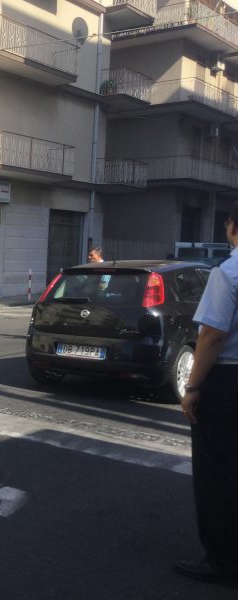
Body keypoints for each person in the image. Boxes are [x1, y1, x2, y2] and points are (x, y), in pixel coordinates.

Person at [175, 203, 238, 588]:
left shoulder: (228, 272)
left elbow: (212, 336)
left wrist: (193, 387)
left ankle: (222, 559)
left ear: (232, 226)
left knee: (218, 474)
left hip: (227, 384)